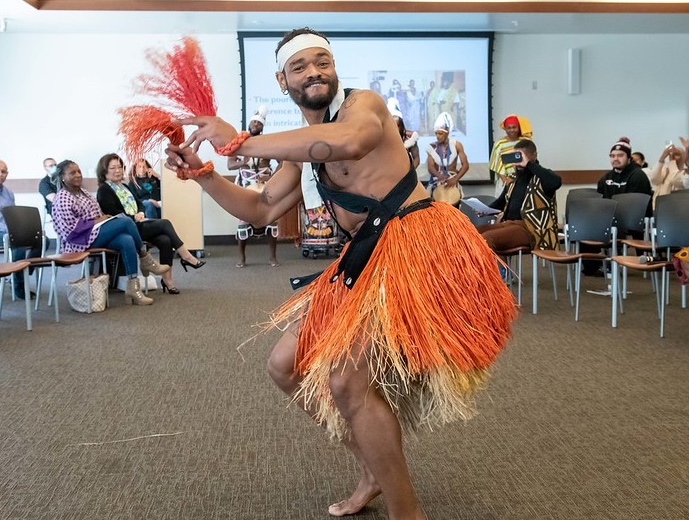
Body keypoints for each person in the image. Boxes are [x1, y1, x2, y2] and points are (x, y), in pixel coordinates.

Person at [165, 28, 517, 520]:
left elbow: (348, 143)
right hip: (364, 258)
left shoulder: (362, 107)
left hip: (414, 244)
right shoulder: (303, 146)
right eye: (300, 66)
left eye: (321, 62)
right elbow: (262, 208)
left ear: (334, 68)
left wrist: (243, 140)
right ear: (281, 79)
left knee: (347, 382)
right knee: (284, 365)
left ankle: (406, 513)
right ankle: (372, 471)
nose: (314, 72)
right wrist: (204, 173)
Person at [51, 160, 169, 305]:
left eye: (79, 171)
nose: (78, 175)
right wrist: (97, 221)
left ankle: (133, 288)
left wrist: (101, 220)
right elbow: (69, 230)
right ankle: (145, 258)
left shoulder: (83, 192)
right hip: (79, 241)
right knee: (125, 221)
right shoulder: (62, 197)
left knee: (126, 239)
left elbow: (97, 213)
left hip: (95, 232)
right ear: (63, 177)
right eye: (72, 173)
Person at [95, 153, 205, 294]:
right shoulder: (104, 190)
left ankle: (167, 280)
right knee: (165, 223)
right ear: (104, 171)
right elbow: (115, 214)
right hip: (126, 229)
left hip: (138, 222)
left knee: (165, 240)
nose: (117, 171)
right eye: (112, 168)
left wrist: (140, 213)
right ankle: (186, 256)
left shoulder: (124, 186)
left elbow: (139, 204)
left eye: (120, 167)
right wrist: (134, 217)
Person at [583, 137, 653, 276]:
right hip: (612, 217)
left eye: (620, 155)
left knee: (613, 224)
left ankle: (615, 261)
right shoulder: (607, 178)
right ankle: (594, 266)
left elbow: (635, 205)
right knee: (586, 225)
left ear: (629, 158)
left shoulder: (638, 176)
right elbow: (600, 199)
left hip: (634, 218)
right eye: (612, 156)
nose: (616, 159)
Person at [477, 139, 561, 251]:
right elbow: (501, 202)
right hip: (508, 224)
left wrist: (529, 164)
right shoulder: (513, 179)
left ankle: (492, 269)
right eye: (515, 156)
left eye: (521, 156)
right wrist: (486, 210)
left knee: (487, 238)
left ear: (534, 156)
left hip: (530, 229)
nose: (518, 160)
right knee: (472, 232)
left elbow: (556, 182)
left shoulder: (542, 178)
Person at [227, 105, 280, 268]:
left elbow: (282, 162)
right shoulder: (239, 143)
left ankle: (272, 257)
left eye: (259, 124)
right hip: (246, 185)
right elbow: (230, 165)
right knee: (243, 221)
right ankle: (242, 258)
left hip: (264, 185)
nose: (255, 126)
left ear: (263, 126)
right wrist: (243, 162)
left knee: (272, 219)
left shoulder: (267, 143)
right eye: (254, 123)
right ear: (249, 123)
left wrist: (272, 176)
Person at [0, 159, 40, 299]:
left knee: (38, 239)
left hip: (8, 232)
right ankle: (18, 285)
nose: (0, 174)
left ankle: (21, 271)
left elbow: (13, 217)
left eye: (3, 171)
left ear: (7, 174)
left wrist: (18, 227)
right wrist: (10, 230)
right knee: (17, 242)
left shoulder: (9, 193)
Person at [425, 111, 469, 200]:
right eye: (436, 133)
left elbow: (465, 165)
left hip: (452, 179)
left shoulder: (457, 145)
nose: (437, 136)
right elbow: (431, 167)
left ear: (447, 132)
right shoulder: (432, 147)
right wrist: (439, 176)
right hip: (437, 181)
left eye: (440, 134)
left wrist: (455, 179)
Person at [489, 114, 533, 196]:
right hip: (505, 181)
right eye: (509, 128)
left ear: (518, 128)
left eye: (514, 127)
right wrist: (506, 181)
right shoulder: (499, 144)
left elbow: (531, 160)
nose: (512, 130)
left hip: (524, 180)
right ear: (505, 129)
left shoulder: (525, 141)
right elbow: (496, 164)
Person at [647, 142, 687, 209]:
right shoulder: (666, 169)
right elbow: (654, 180)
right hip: (659, 208)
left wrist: (672, 162)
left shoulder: (685, 172)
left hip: (677, 209)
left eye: (677, 154)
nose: (673, 157)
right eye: (671, 154)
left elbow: (675, 180)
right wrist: (662, 158)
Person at [387, 98, 420, 169]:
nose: (395, 128)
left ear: (401, 125)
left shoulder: (410, 138)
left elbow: (416, 158)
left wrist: (409, 174)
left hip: (407, 173)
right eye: (392, 125)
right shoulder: (383, 138)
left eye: (397, 125)